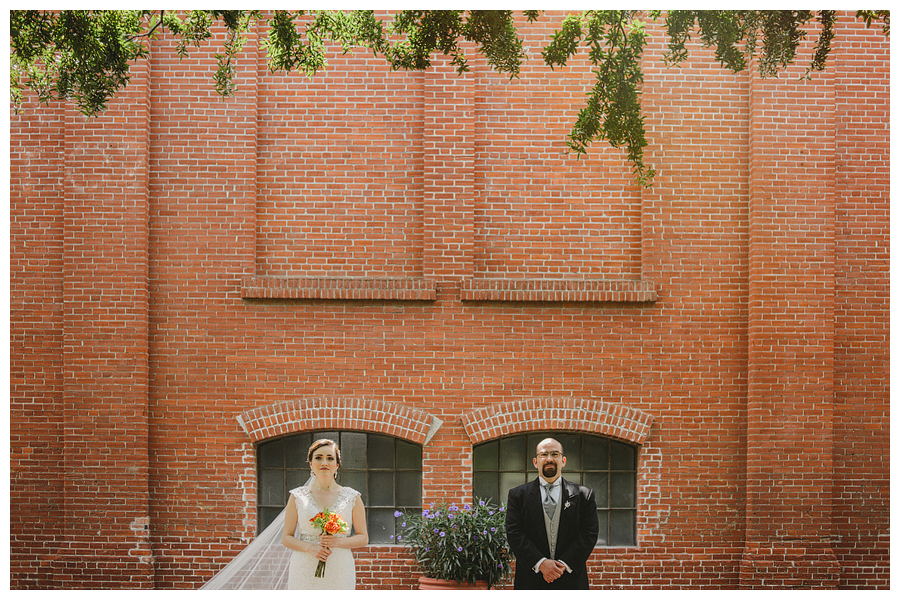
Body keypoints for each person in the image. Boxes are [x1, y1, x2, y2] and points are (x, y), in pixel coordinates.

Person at [504, 437, 599, 589]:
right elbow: (514, 533)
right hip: (531, 580)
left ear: (563, 461)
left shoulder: (584, 495)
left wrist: (563, 565)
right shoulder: (517, 495)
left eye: (555, 454)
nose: (549, 459)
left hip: (571, 579)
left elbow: (589, 534)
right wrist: (541, 563)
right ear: (535, 462)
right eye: (544, 454)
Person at [281, 438, 369, 589]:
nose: (324, 463)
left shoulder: (352, 497)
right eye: (318, 458)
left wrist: (337, 542)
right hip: (304, 567)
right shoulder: (297, 496)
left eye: (330, 458)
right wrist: (310, 548)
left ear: (337, 464)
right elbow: (286, 538)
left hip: (339, 567)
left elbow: (363, 538)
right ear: (311, 463)